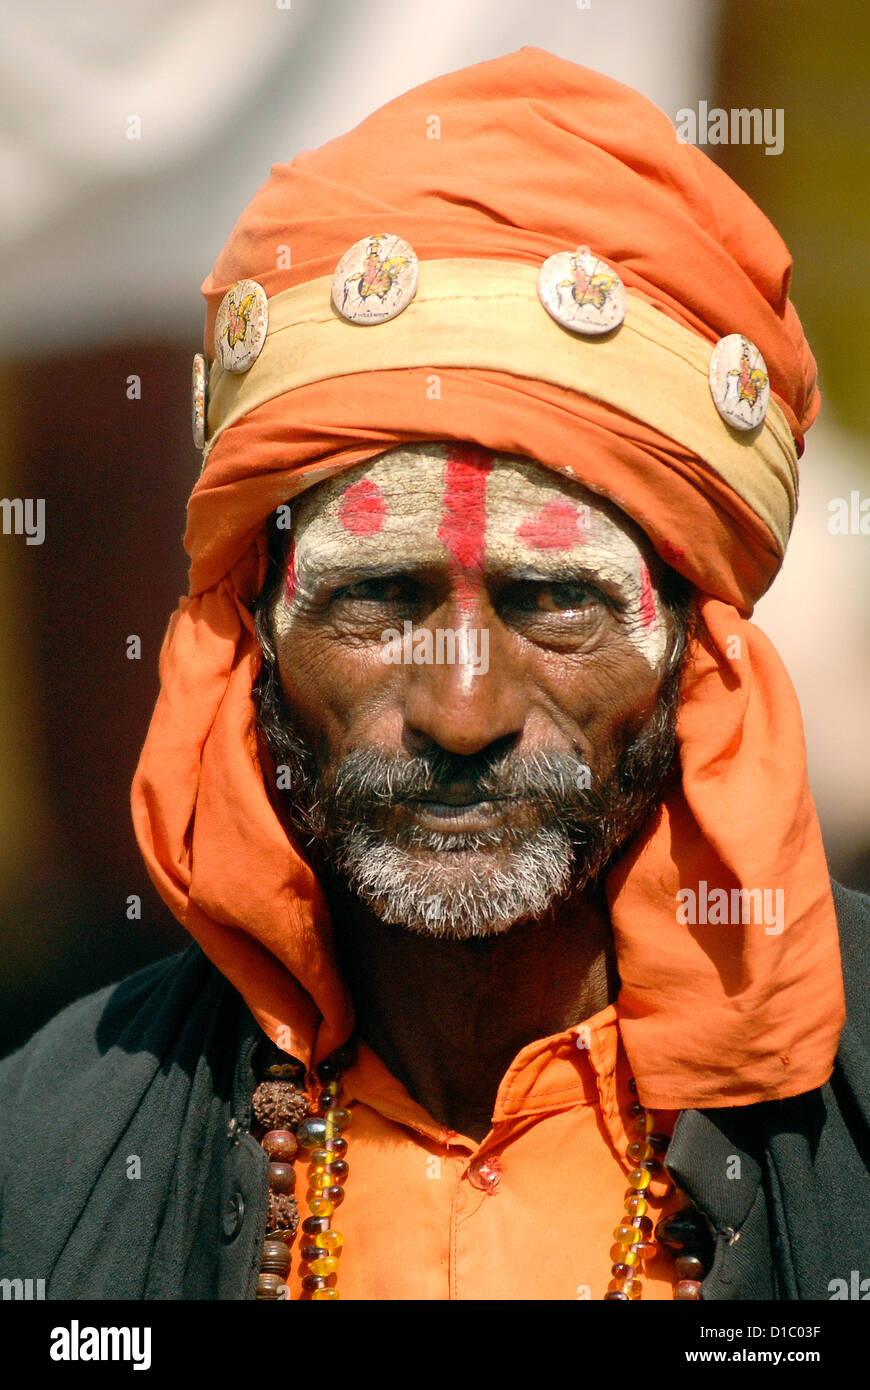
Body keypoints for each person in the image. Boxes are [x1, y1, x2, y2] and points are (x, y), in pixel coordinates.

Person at [1, 47, 867, 1303]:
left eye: (557, 601)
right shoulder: (45, 1164)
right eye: (378, 597)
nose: (464, 710)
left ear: (698, 642)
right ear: (251, 625)